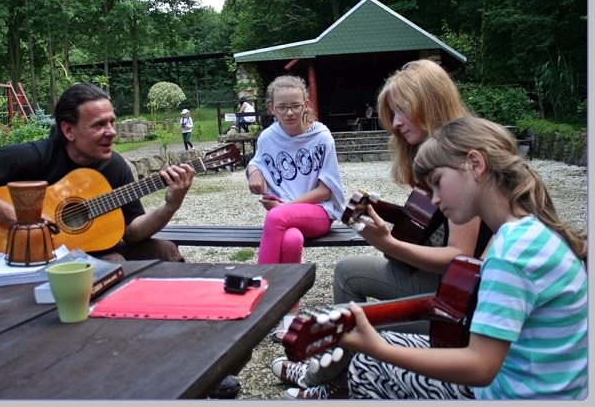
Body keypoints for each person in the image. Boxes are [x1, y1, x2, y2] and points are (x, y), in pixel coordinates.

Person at [271, 59, 492, 399]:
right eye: (393, 113)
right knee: (347, 272)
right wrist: (386, 212)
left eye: (401, 111)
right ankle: (336, 375)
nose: (395, 123)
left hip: (453, 290)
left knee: (355, 318)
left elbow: (459, 255)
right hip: (425, 273)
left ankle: (326, 380)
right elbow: (434, 222)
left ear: (430, 104)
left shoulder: (461, 159)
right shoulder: (433, 152)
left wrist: (388, 243)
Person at [341, 116, 587, 399]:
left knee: (367, 364)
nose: (434, 199)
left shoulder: (512, 251)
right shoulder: (531, 230)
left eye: (437, 182)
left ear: (475, 164)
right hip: (549, 387)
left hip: (516, 395)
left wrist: (378, 350)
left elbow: (480, 367)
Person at [0, 82, 190, 263]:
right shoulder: (38, 155)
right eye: (99, 125)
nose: (111, 131)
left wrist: (170, 205)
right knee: (114, 262)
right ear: (68, 130)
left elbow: (132, 232)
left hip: (94, 250)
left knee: (166, 250)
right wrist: (14, 216)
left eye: (112, 121)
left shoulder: (114, 165)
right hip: (37, 256)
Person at [245, 74, 345, 341]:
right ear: (271, 108)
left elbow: (326, 190)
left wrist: (285, 206)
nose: (289, 113)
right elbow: (256, 162)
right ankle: (290, 315)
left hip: (318, 212)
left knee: (277, 217)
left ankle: (258, 301)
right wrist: (254, 173)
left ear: (306, 105)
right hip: (286, 220)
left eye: (295, 106)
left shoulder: (321, 137)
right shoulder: (268, 137)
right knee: (291, 240)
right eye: (282, 107)